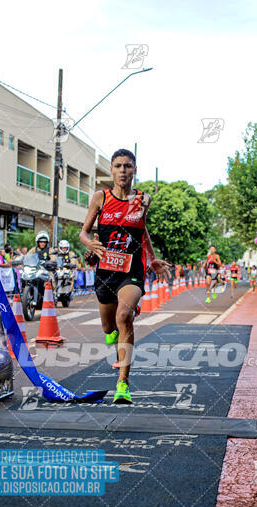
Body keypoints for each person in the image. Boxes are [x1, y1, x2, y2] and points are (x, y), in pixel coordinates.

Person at [79, 148, 170, 404]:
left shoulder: (143, 199)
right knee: (109, 328)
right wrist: (90, 245)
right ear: (111, 170)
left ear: (134, 170)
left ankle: (123, 384)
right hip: (106, 271)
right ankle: (113, 334)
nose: (122, 170)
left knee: (124, 316)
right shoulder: (101, 198)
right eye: (118, 165)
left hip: (132, 271)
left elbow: (142, 231)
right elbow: (83, 233)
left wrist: (152, 258)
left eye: (127, 166)